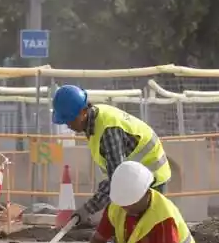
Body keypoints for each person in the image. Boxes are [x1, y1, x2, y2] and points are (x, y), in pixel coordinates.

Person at [51, 84, 170, 226]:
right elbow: (115, 178)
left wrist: (87, 209)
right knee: (125, 226)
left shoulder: (108, 131)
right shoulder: (96, 120)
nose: (68, 124)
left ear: (83, 112)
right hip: (135, 178)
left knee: (144, 230)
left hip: (150, 177)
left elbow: (117, 181)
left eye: (70, 119)